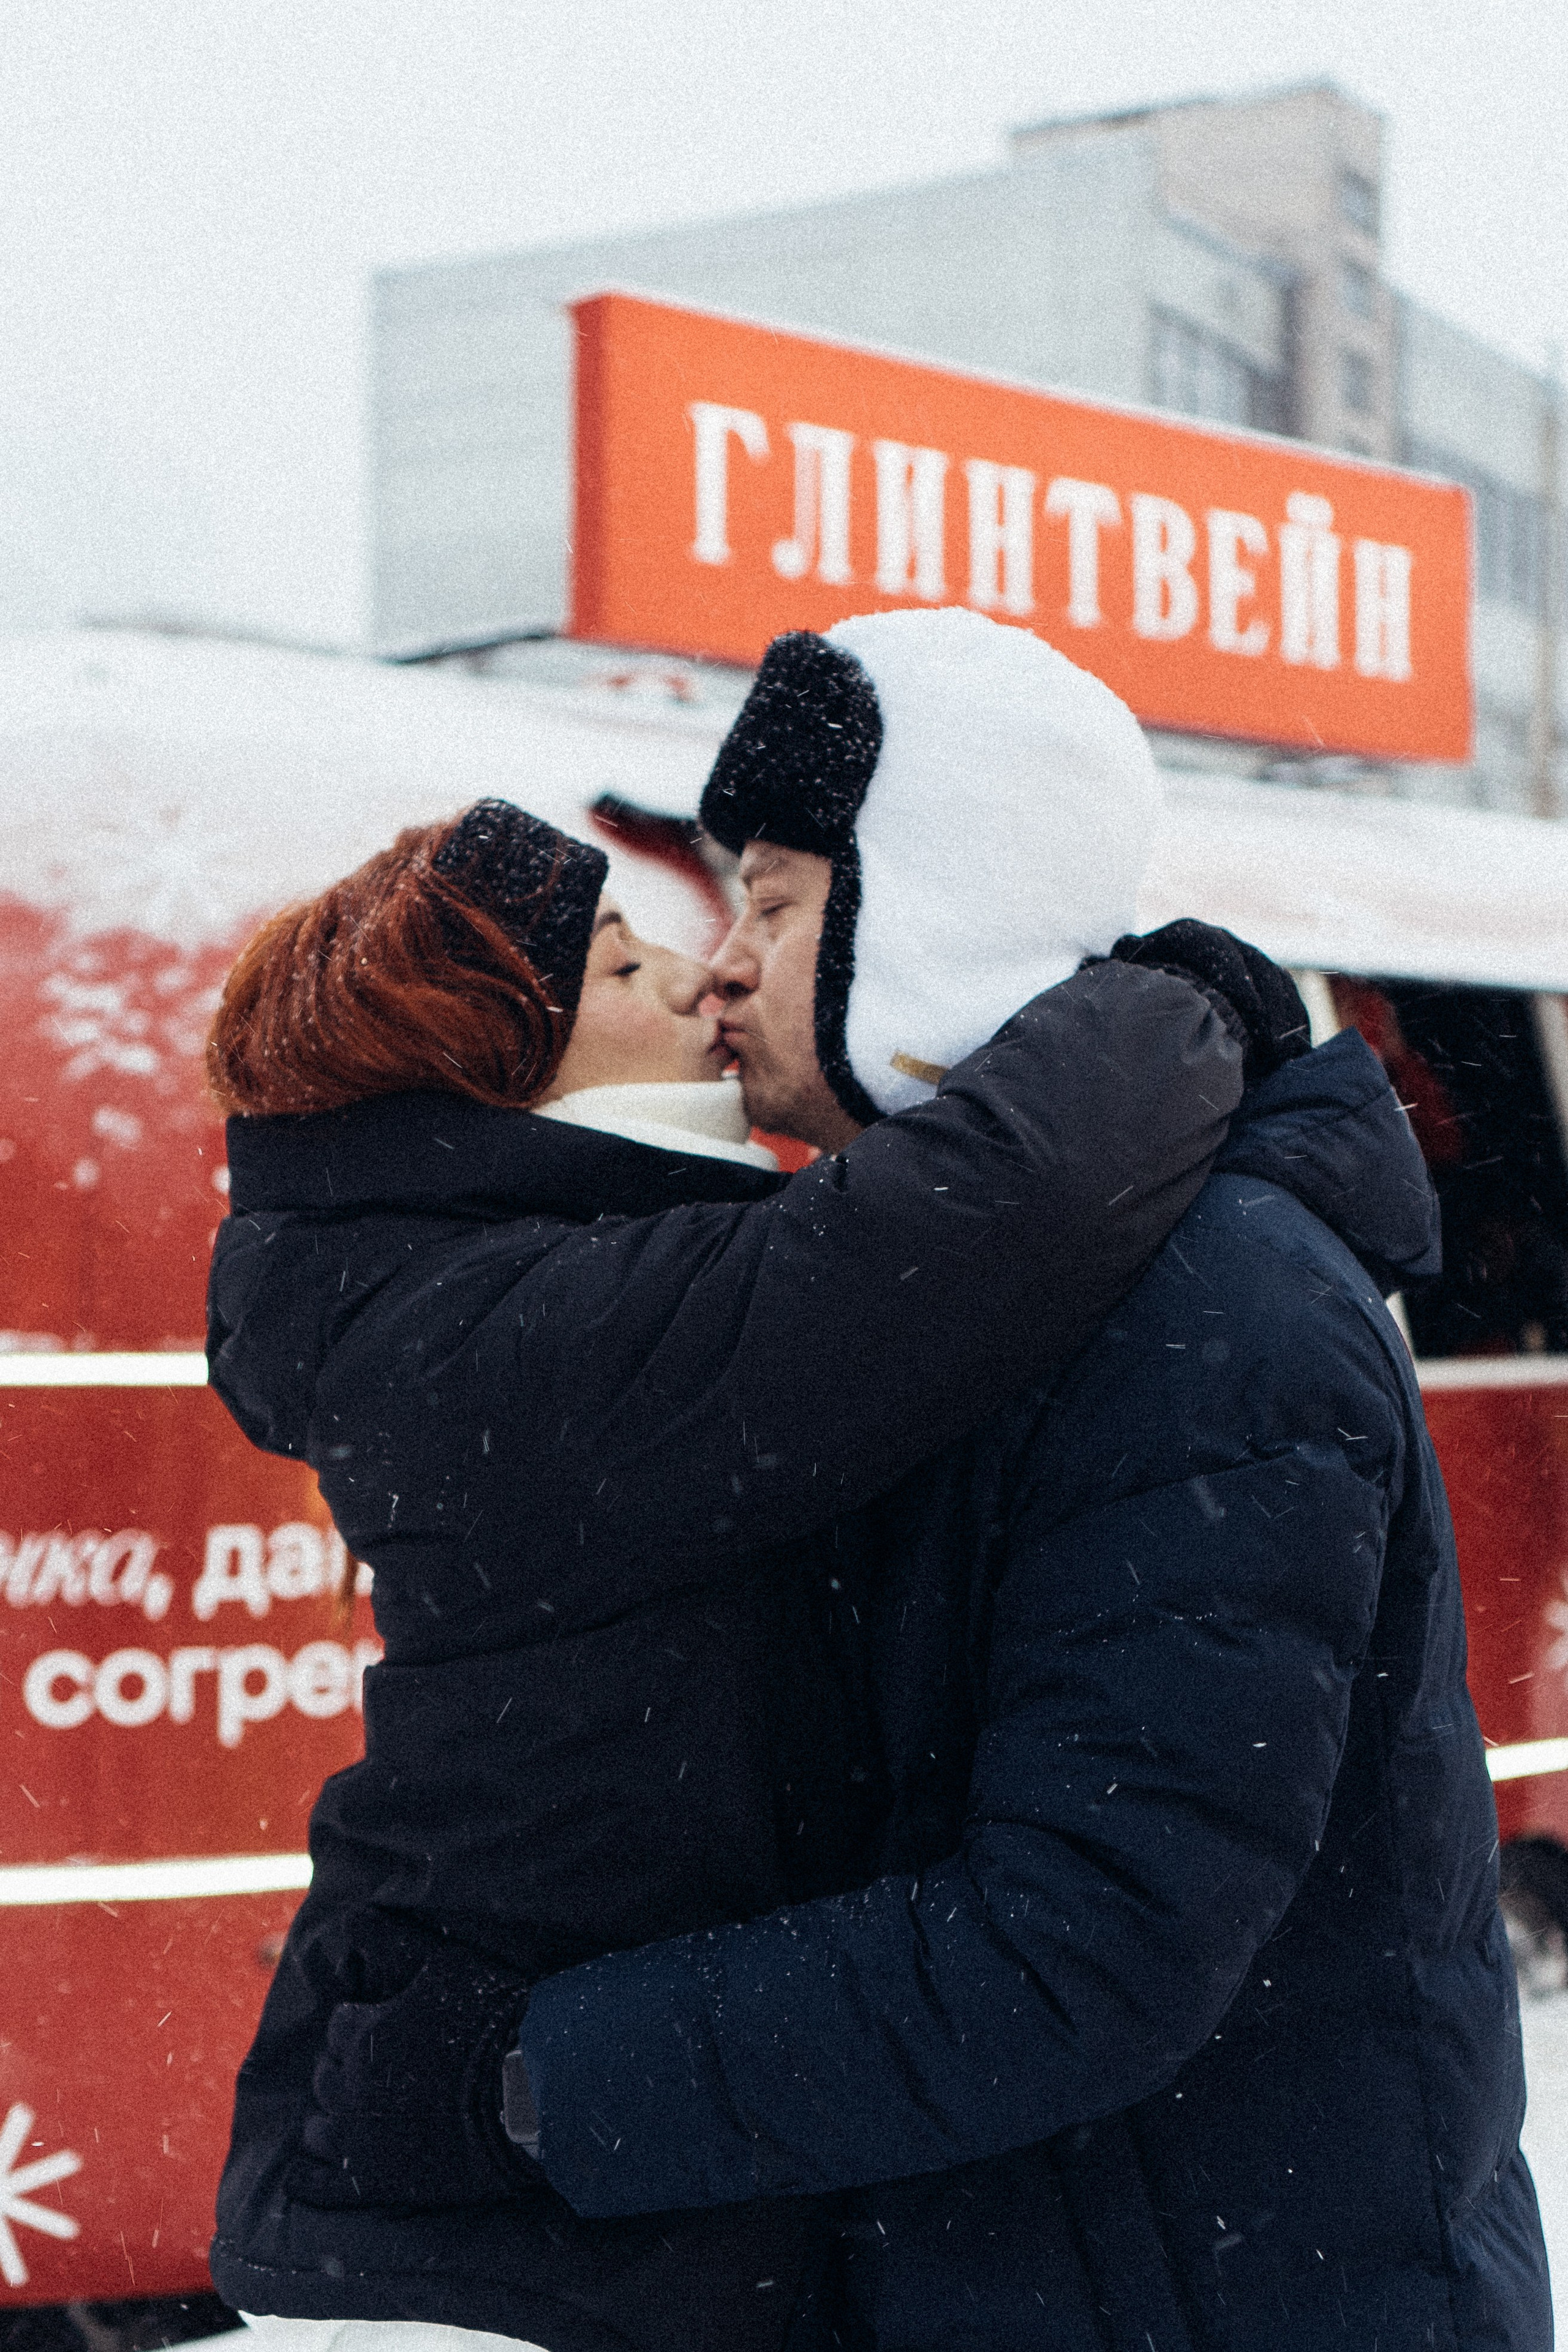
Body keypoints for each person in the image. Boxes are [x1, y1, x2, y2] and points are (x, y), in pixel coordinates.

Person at [301, 609, 1551, 2352]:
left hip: (1220, 2294)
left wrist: (530, 2079)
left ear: (936, 918)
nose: (722, 966)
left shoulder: (1214, 1308)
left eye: (780, 904)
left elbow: (1082, 1946)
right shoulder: (956, 1300)